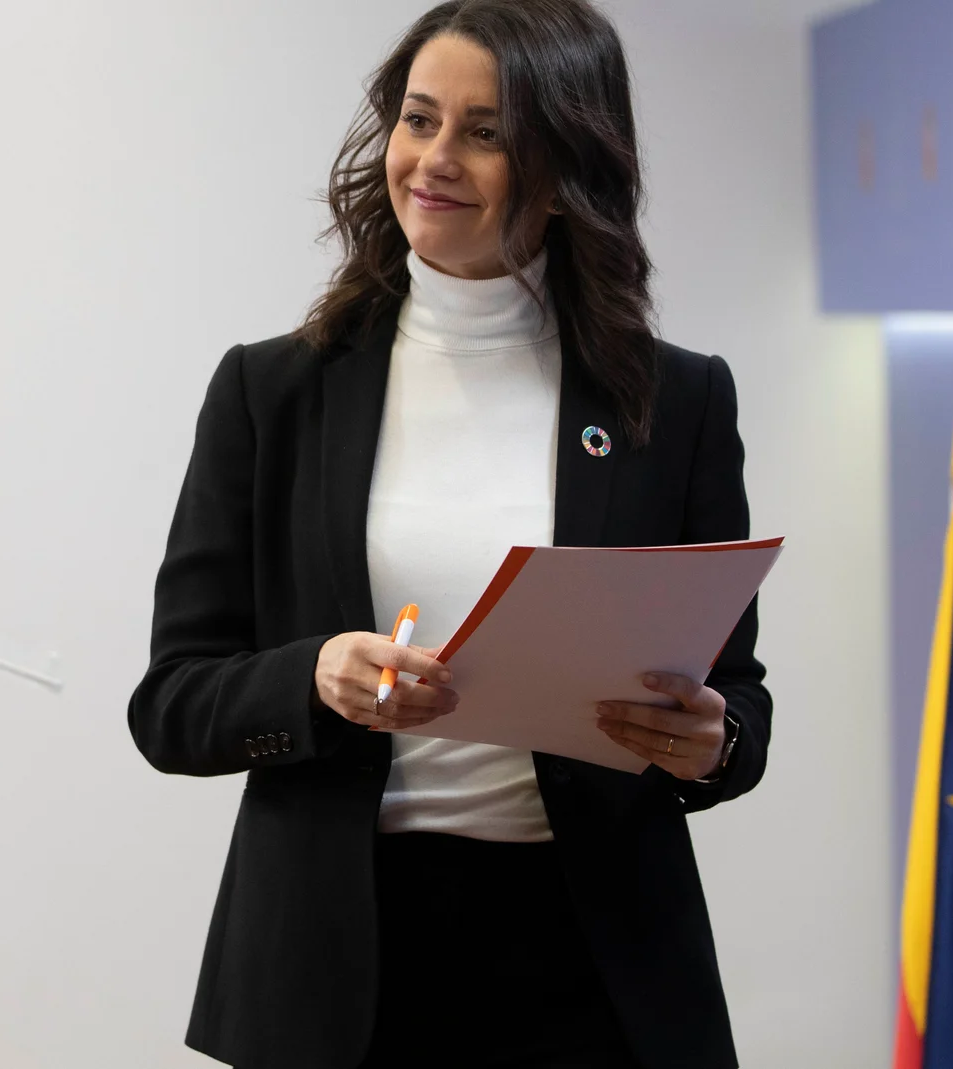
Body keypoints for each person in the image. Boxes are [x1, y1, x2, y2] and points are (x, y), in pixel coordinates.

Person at [127, 2, 769, 1066]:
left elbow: (734, 693)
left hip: (596, 965)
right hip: (340, 969)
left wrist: (714, 742)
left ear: (564, 169)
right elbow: (171, 703)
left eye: (485, 132)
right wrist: (316, 676)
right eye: (419, 120)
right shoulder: (273, 391)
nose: (433, 158)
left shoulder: (676, 402)